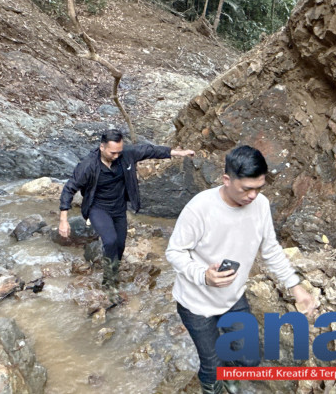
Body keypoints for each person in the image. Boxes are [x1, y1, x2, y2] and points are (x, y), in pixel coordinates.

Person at [166, 145, 318, 394]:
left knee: (250, 360)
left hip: (234, 297)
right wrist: (203, 275)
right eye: (247, 189)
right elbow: (174, 252)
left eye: (259, 188)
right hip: (196, 304)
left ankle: (230, 370)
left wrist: (296, 287)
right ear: (227, 180)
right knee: (211, 366)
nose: (253, 196)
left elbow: (271, 250)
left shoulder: (260, 206)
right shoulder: (199, 208)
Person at [59, 129, 195, 302]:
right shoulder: (88, 165)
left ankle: (113, 270)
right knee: (110, 240)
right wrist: (64, 220)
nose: (116, 156)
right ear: (102, 147)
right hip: (98, 208)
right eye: (112, 152)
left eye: (119, 152)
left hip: (119, 208)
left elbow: (149, 150)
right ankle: (109, 284)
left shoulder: (126, 155)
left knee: (120, 245)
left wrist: (179, 152)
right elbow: (69, 189)